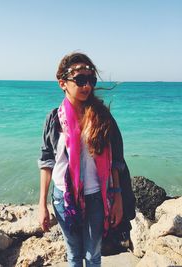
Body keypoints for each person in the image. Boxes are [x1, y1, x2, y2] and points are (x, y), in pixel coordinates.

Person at [38, 52, 135, 267]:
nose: (87, 86)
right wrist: (42, 203)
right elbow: (47, 162)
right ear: (62, 83)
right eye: (80, 80)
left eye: (91, 80)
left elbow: (116, 162)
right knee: (73, 254)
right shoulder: (54, 119)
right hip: (63, 198)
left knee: (93, 255)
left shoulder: (102, 117)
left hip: (96, 197)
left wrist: (117, 197)